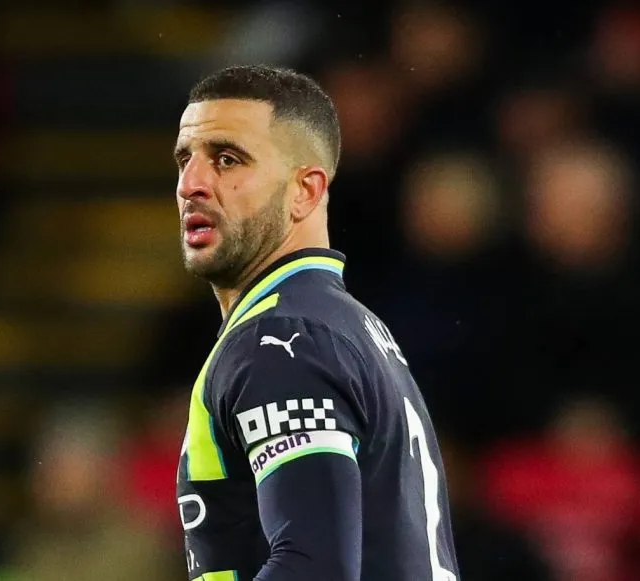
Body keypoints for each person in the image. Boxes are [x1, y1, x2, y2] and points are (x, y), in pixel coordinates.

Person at [172, 64, 460, 581]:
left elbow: (314, 569)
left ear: (305, 190)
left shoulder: (282, 340)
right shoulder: (343, 325)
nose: (191, 184)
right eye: (184, 159)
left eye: (227, 159)